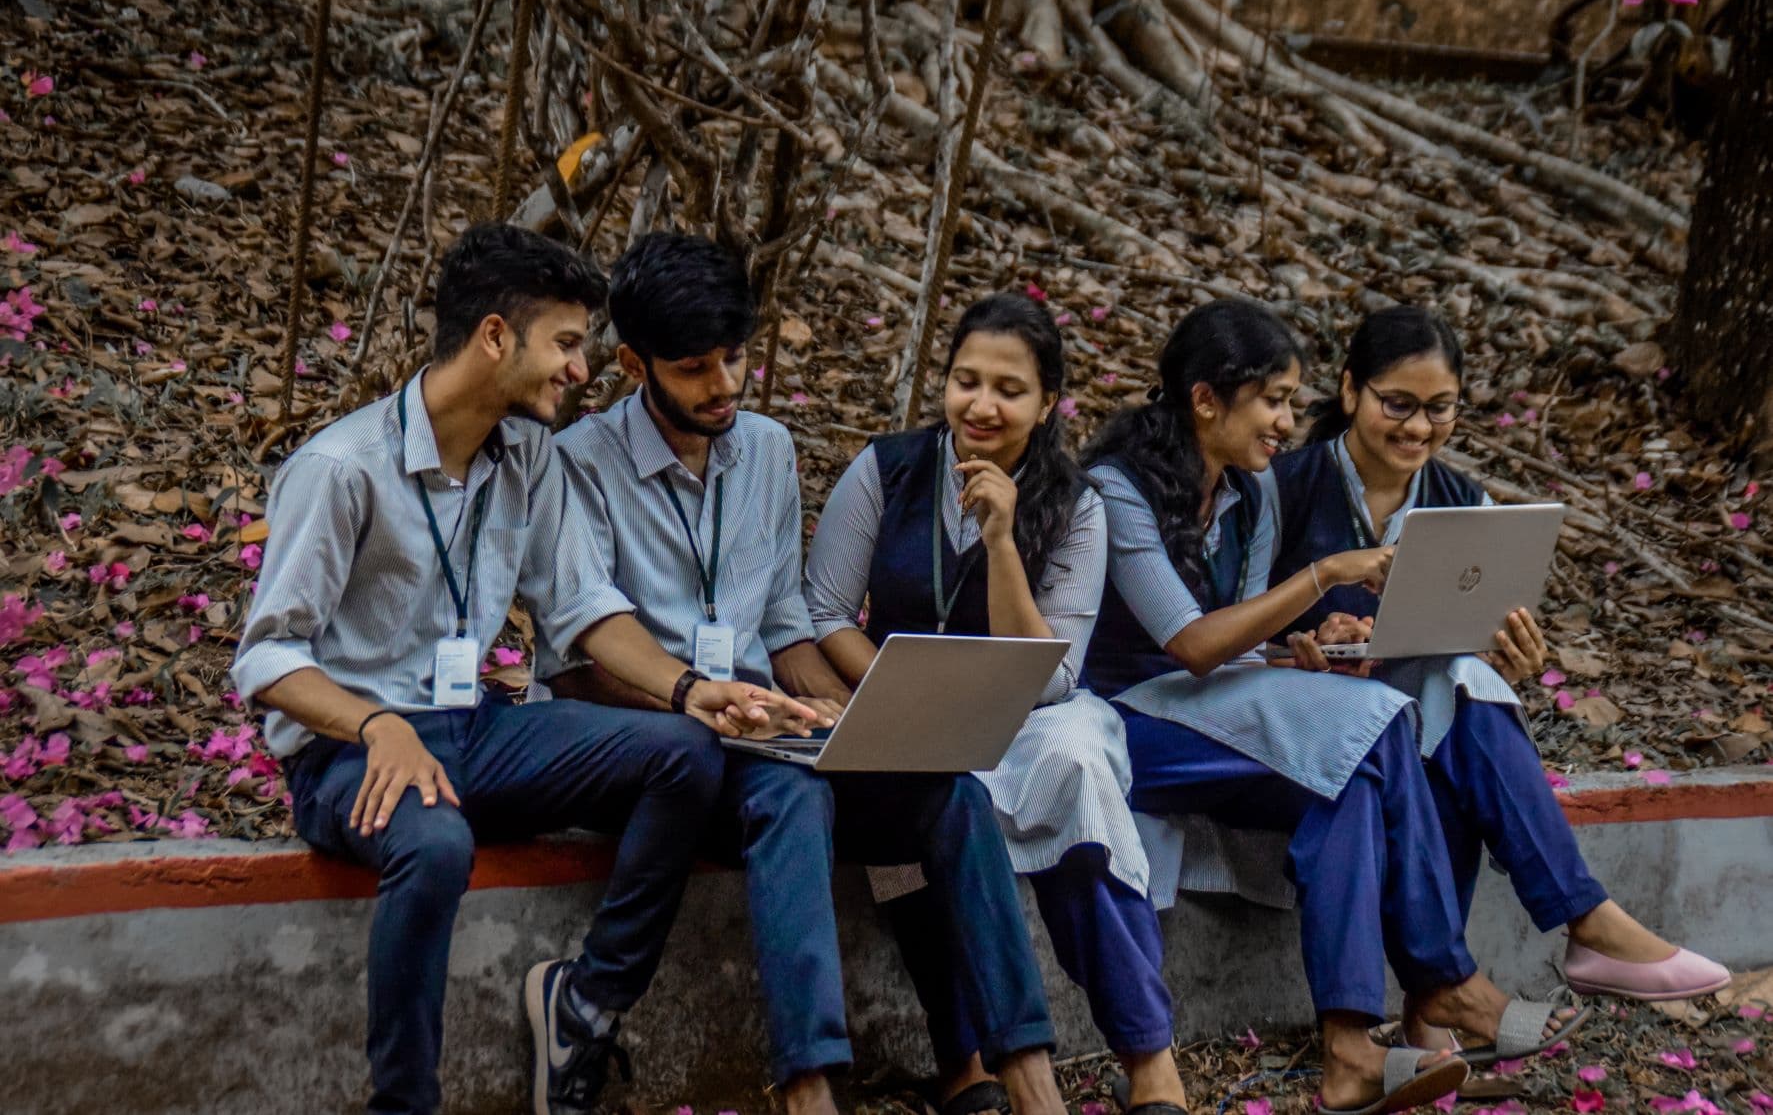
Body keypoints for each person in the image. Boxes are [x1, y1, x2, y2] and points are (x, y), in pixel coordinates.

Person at [231, 223, 810, 1115]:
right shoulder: (342, 468)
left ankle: (587, 1000)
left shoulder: (528, 454)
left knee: (683, 753)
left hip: (475, 733)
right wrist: (377, 725)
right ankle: (404, 1103)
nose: (581, 371)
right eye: (568, 345)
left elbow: (582, 609)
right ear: (497, 336)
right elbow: (267, 657)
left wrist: (694, 692)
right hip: (351, 752)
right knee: (434, 843)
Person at [540, 235, 1067, 1115]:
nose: (723, 386)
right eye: (694, 367)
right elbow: (577, 661)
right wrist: (705, 701)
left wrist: (838, 710)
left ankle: (1028, 1076)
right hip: (659, 744)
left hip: (763, 738)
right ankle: (808, 1084)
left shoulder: (768, 450)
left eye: (735, 358)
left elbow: (784, 623)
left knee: (948, 792)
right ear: (632, 363)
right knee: (794, 797)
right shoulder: (577, 465)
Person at [1081, 299, 1588, 1115]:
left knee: (1349, 781)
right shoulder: (1115, 490)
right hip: (1126, 717)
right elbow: (1188, 644)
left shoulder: (1249, 495)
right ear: (1206, 399)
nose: (1288, 421)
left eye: (1291, 399)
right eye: (1273, 400)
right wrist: (1320, 580)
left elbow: (1243, 650)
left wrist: (1315, 647)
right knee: (1379, 726)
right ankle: (1444, 977)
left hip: (1211, 710)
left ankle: (1348, 1050)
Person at [1263, 306, 1729, 1047]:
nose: (1417, 428)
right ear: (1350, 392)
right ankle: (1574, 924)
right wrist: (1293, 639)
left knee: (1462, 692)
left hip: (1407, 715)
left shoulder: (1460, 504)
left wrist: (1504, 656)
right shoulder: (1281, 488)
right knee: (1446, 719)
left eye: (1439, 408)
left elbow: (1462, 636)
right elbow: (1230, 622)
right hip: (1299, 715)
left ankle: (1445, 997)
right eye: (1398, 405)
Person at [804, 292, 1192, 1115]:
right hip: (895, 702)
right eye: (963, 381)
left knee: (1077, 767)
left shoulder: (1077, 504)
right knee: (917, 794)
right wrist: (895, 691)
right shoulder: (886, 469)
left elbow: (1050, 672)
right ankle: (963, 1058)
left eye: (1007, 389)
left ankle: (1146, 1055)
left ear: (1047, 402)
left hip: (1027, 713)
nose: (980, 405)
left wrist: (1002, 540)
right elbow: (826, 613)